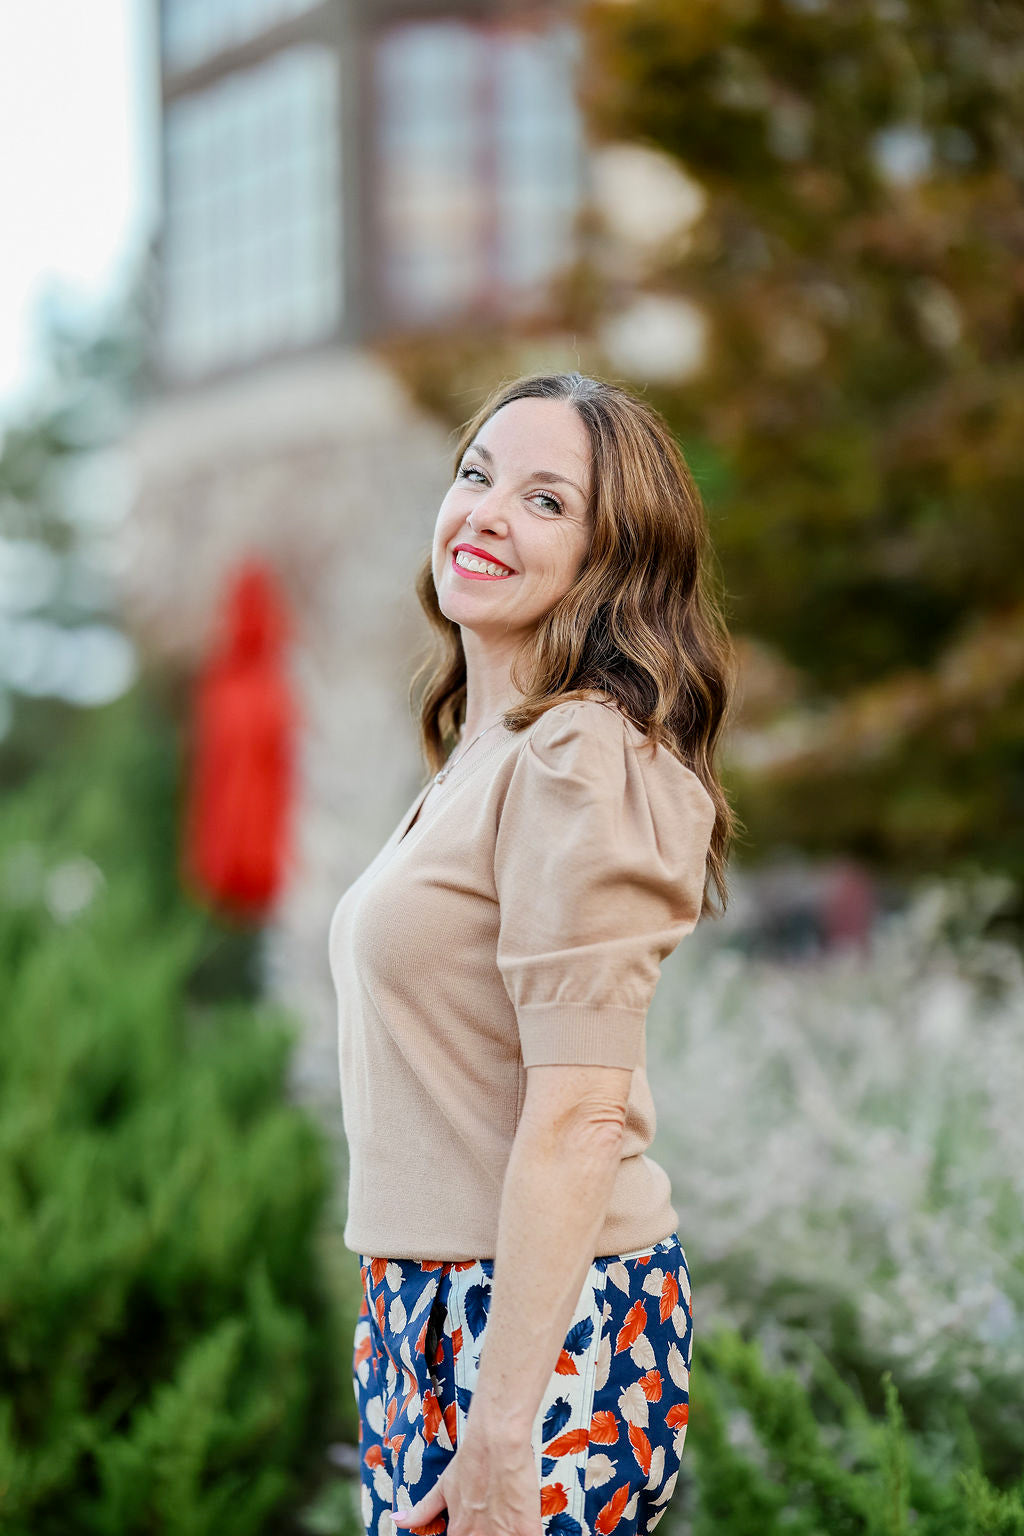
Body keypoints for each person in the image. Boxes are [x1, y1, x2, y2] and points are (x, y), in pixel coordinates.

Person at [328, 371, 737, 1536]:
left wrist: (503, 1425)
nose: (488, 512)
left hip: (533, 1326)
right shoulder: (487, 754)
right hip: (425, 1306)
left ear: (615, 560)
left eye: (547, 500)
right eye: (476, 475)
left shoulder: (583, 758)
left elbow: (580, 1116)